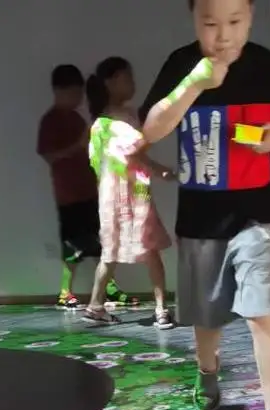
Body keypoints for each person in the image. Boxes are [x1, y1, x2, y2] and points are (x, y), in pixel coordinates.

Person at [138, 0, 270, 410]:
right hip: (200, 217)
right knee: (207, 315)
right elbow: (150, 130)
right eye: (210, 23)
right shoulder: (181, 63)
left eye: (234, 21)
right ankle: (207, 372)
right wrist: (194, 83)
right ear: (194, 18)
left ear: (250, 15)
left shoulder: (264, 64)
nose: (223, 34)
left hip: (255, 212)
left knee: (263, 309)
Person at [84, 58, 177, 330]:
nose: (133, 83)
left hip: (112, 196)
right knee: (149, 249)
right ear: (112, 82)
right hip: (132, 194)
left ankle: (96, 304)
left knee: (111, 252)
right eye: (127, 78)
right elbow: (134, 155)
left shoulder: (103, 122)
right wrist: (161, 171)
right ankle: (161, 309)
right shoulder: (113, 122)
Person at [36, 64, 137, 310]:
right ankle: (65, 291)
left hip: (91, 190)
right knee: (72, 245)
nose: (78, 99)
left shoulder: (77, 119)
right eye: (73, 93)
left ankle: (109, 288)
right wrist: (77, 145)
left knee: (102, 242)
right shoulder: (51, 121)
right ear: (59, 91)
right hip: (69, 195)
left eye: (80, 93)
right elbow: (49, 155)